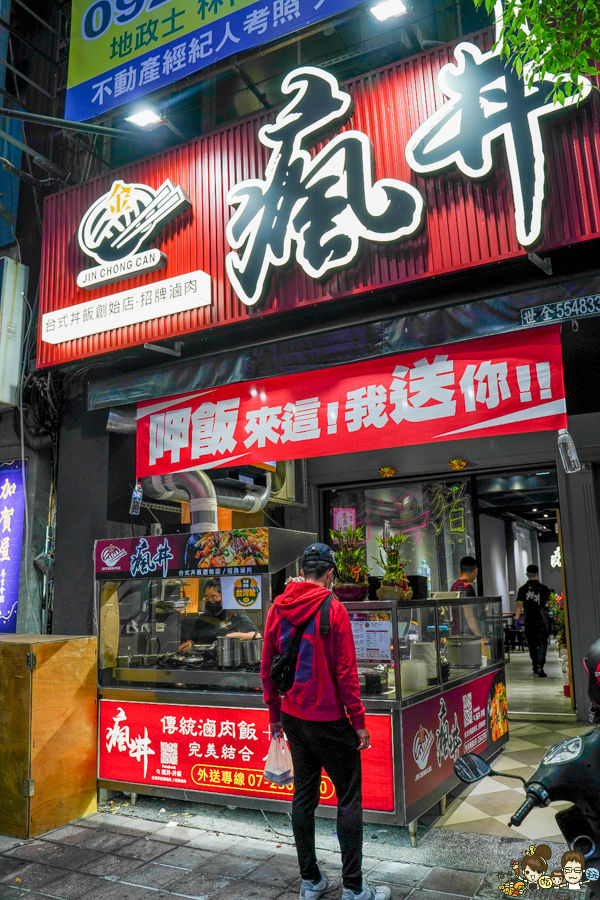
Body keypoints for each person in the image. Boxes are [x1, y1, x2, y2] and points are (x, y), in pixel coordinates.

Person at [261, 542, 390, 900]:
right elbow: (346, 673)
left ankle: (311, 880)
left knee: (304, 798)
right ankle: (353, 888)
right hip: (330, 720)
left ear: (303, 571)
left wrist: (274, 716)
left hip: (293, 717)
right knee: (348, 799)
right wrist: (359, 721)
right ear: (330, 574)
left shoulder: (276, 608)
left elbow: (267, 670)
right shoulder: (333, 609)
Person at [178, 578, 259, 650]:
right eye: (207, 598)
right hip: (206, 661)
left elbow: (257, 635)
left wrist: (233, 636)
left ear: (224, 597)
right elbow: (193, 640)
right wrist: (189, 644)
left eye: (214, 598)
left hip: (229, 659)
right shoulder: (203, 617)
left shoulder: (236, 614)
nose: (210, 601)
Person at [515, 564, 551, 678]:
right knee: (542, 643)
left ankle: (535, 665)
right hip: (541, 620)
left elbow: (519, 605)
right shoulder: (544, 588)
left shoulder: (522, 589)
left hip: (528, 620)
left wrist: (516, 619)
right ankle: (540, 665)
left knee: (531, 644)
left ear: (527, 575)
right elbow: (550, 604)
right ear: (537, 574)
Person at [450, 556, 482, 637]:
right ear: (476, 571)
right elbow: (469, 615)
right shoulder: (467, 587)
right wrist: (479, 635)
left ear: (460, 571)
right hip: (467, 634)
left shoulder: (454, 586)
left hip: (455, 631)